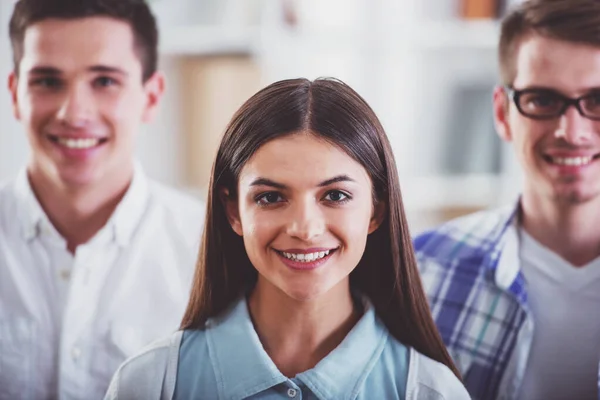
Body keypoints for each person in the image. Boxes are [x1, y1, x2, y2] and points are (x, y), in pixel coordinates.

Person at [103, 77, 470, 400]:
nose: (305, 228)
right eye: (271, 197)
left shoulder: (431, 392)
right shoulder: (148, 385)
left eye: (336, 196)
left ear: (376, 210)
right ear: (233, 212)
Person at [0, 0, 205, 399]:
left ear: (151, 96)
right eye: (47, 81)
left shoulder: (209, 250)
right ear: (15, 93)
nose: (73, 112)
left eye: (105, 81)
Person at [414, 0, 600, 399]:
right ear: (502, 113)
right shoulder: (418, 275)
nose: (573, 131)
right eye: (543, 100)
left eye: (598, 102)